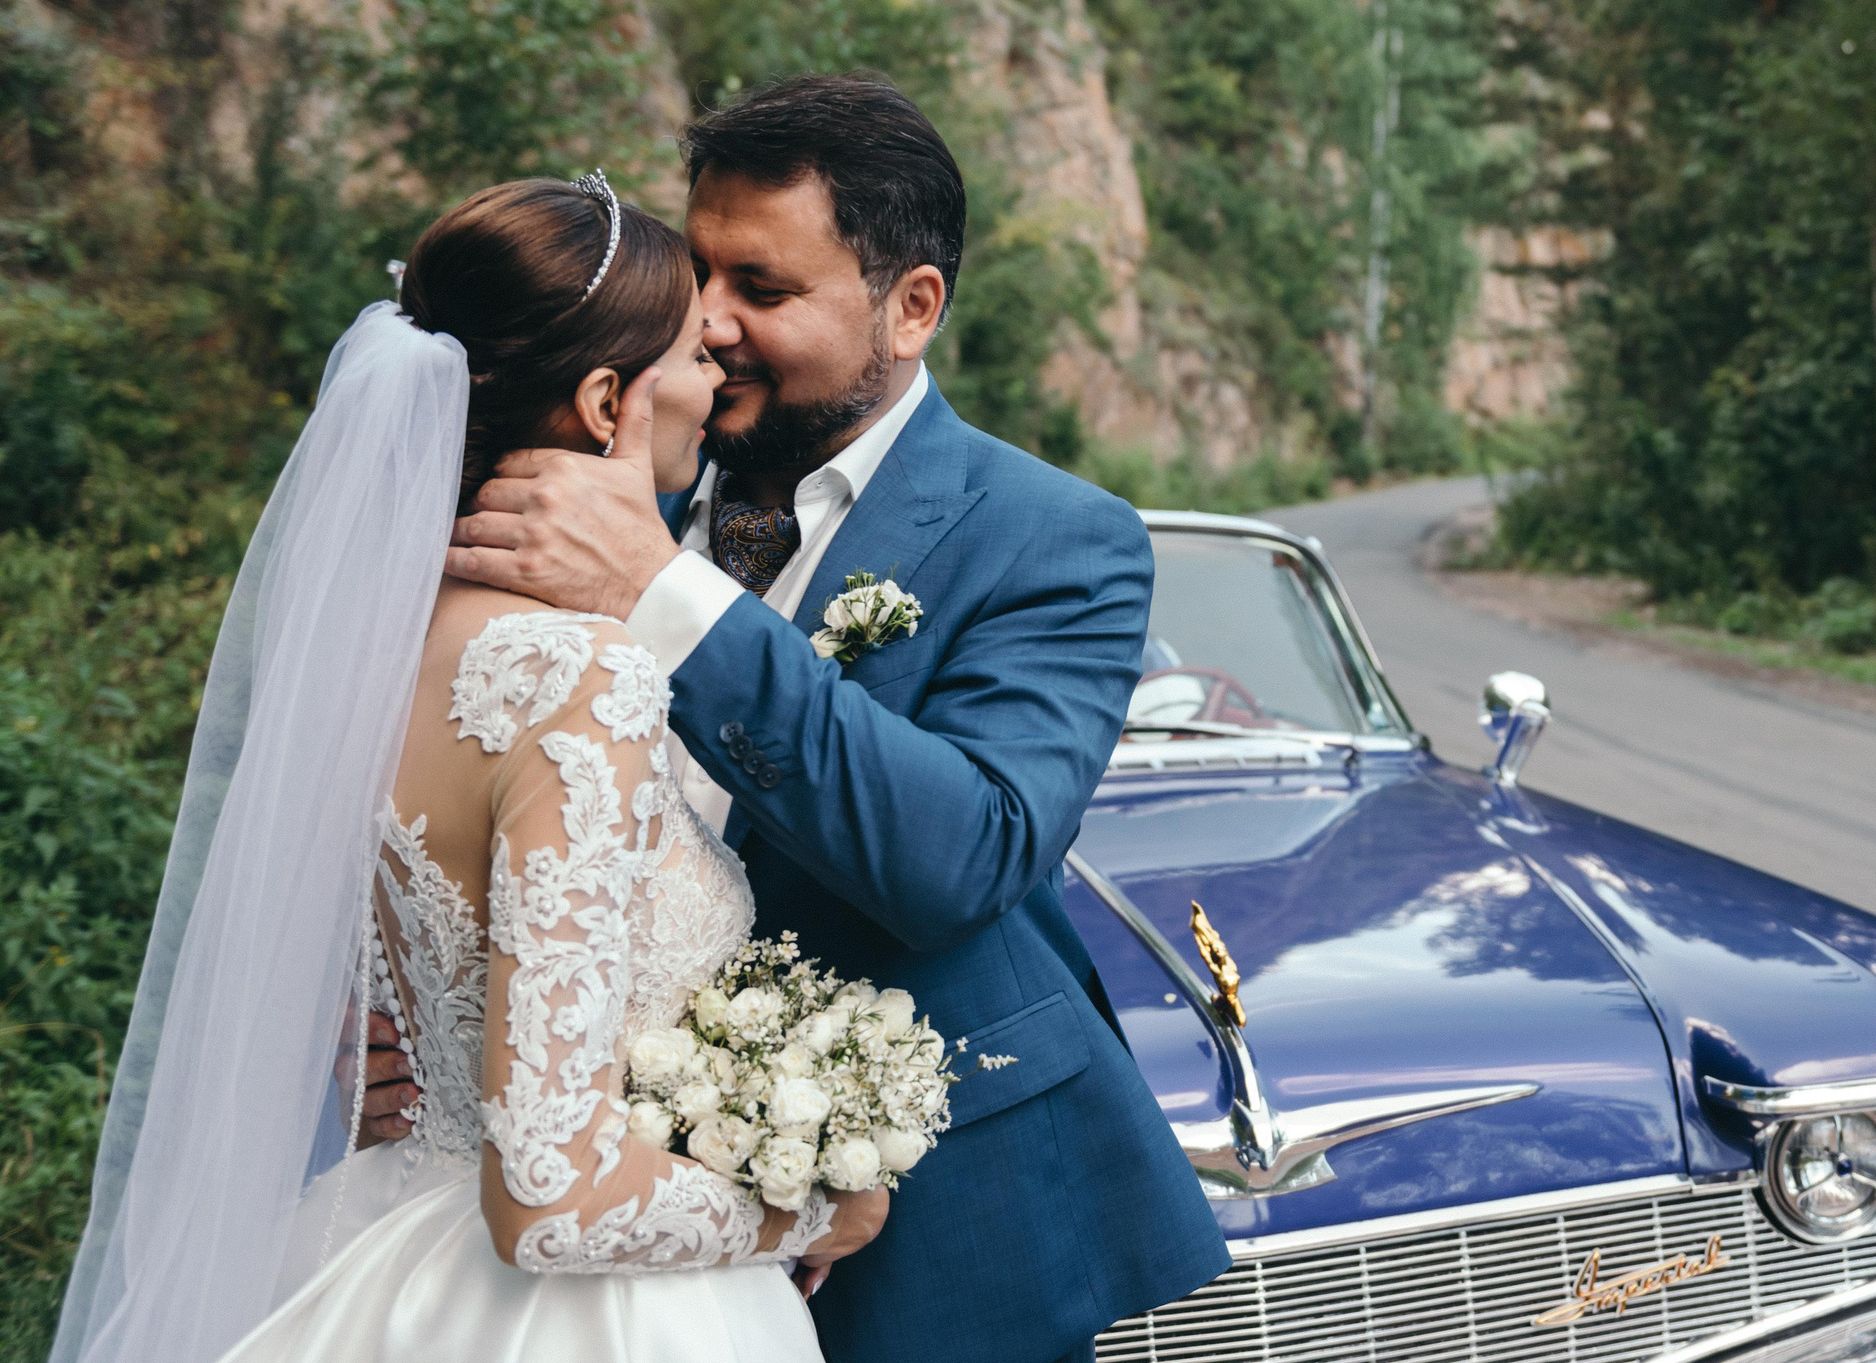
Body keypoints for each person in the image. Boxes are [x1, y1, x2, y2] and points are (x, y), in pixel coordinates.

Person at [438, 74, 1230, 1363]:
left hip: (938, 1212)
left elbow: (962, 854)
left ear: (909, 307)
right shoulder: (591, 485)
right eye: (699, 275)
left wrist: (665, 592)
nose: (709, 323)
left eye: (765, 286)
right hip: (609, 1239)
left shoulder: (1057, 539)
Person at [50, 178, 885, 1363]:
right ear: (606, 401)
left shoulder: (361, 647)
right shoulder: (574, 675)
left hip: (378, 1241)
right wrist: (815, 1203)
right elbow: (549, 1190)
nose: (715, 388)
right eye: (695, 355)